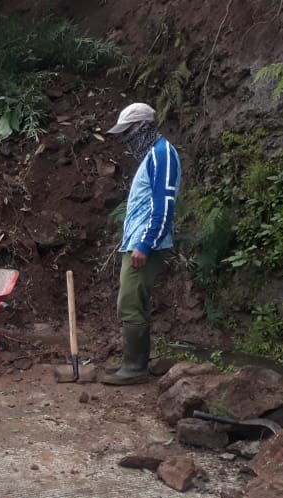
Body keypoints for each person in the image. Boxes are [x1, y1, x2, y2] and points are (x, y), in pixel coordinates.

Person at [100, 102, 181, 385]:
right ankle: (135, 364)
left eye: (129, 131)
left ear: (143, 127)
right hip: (138, 240)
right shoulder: (153, 156)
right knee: (136, 302)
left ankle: (134, 369)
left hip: (147, 243)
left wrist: (145, 244)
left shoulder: (162, 155)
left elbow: (164, 204)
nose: (126, 138)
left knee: (130, 302)